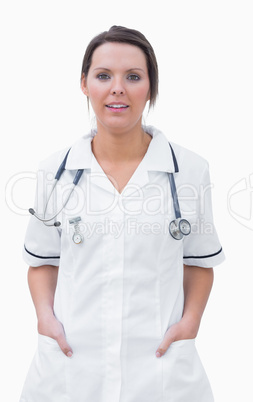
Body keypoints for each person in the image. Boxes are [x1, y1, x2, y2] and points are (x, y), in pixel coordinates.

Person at [20, 25, 225, 402]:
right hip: (71, 370)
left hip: (161, 373)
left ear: (150, 87)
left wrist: (190, 322)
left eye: (133, 76)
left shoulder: (190, 171)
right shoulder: (54, 173)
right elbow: (43, 261)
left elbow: (198, 262)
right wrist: (45, 319)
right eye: (103, 76)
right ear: (84, 84)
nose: (118, 88)